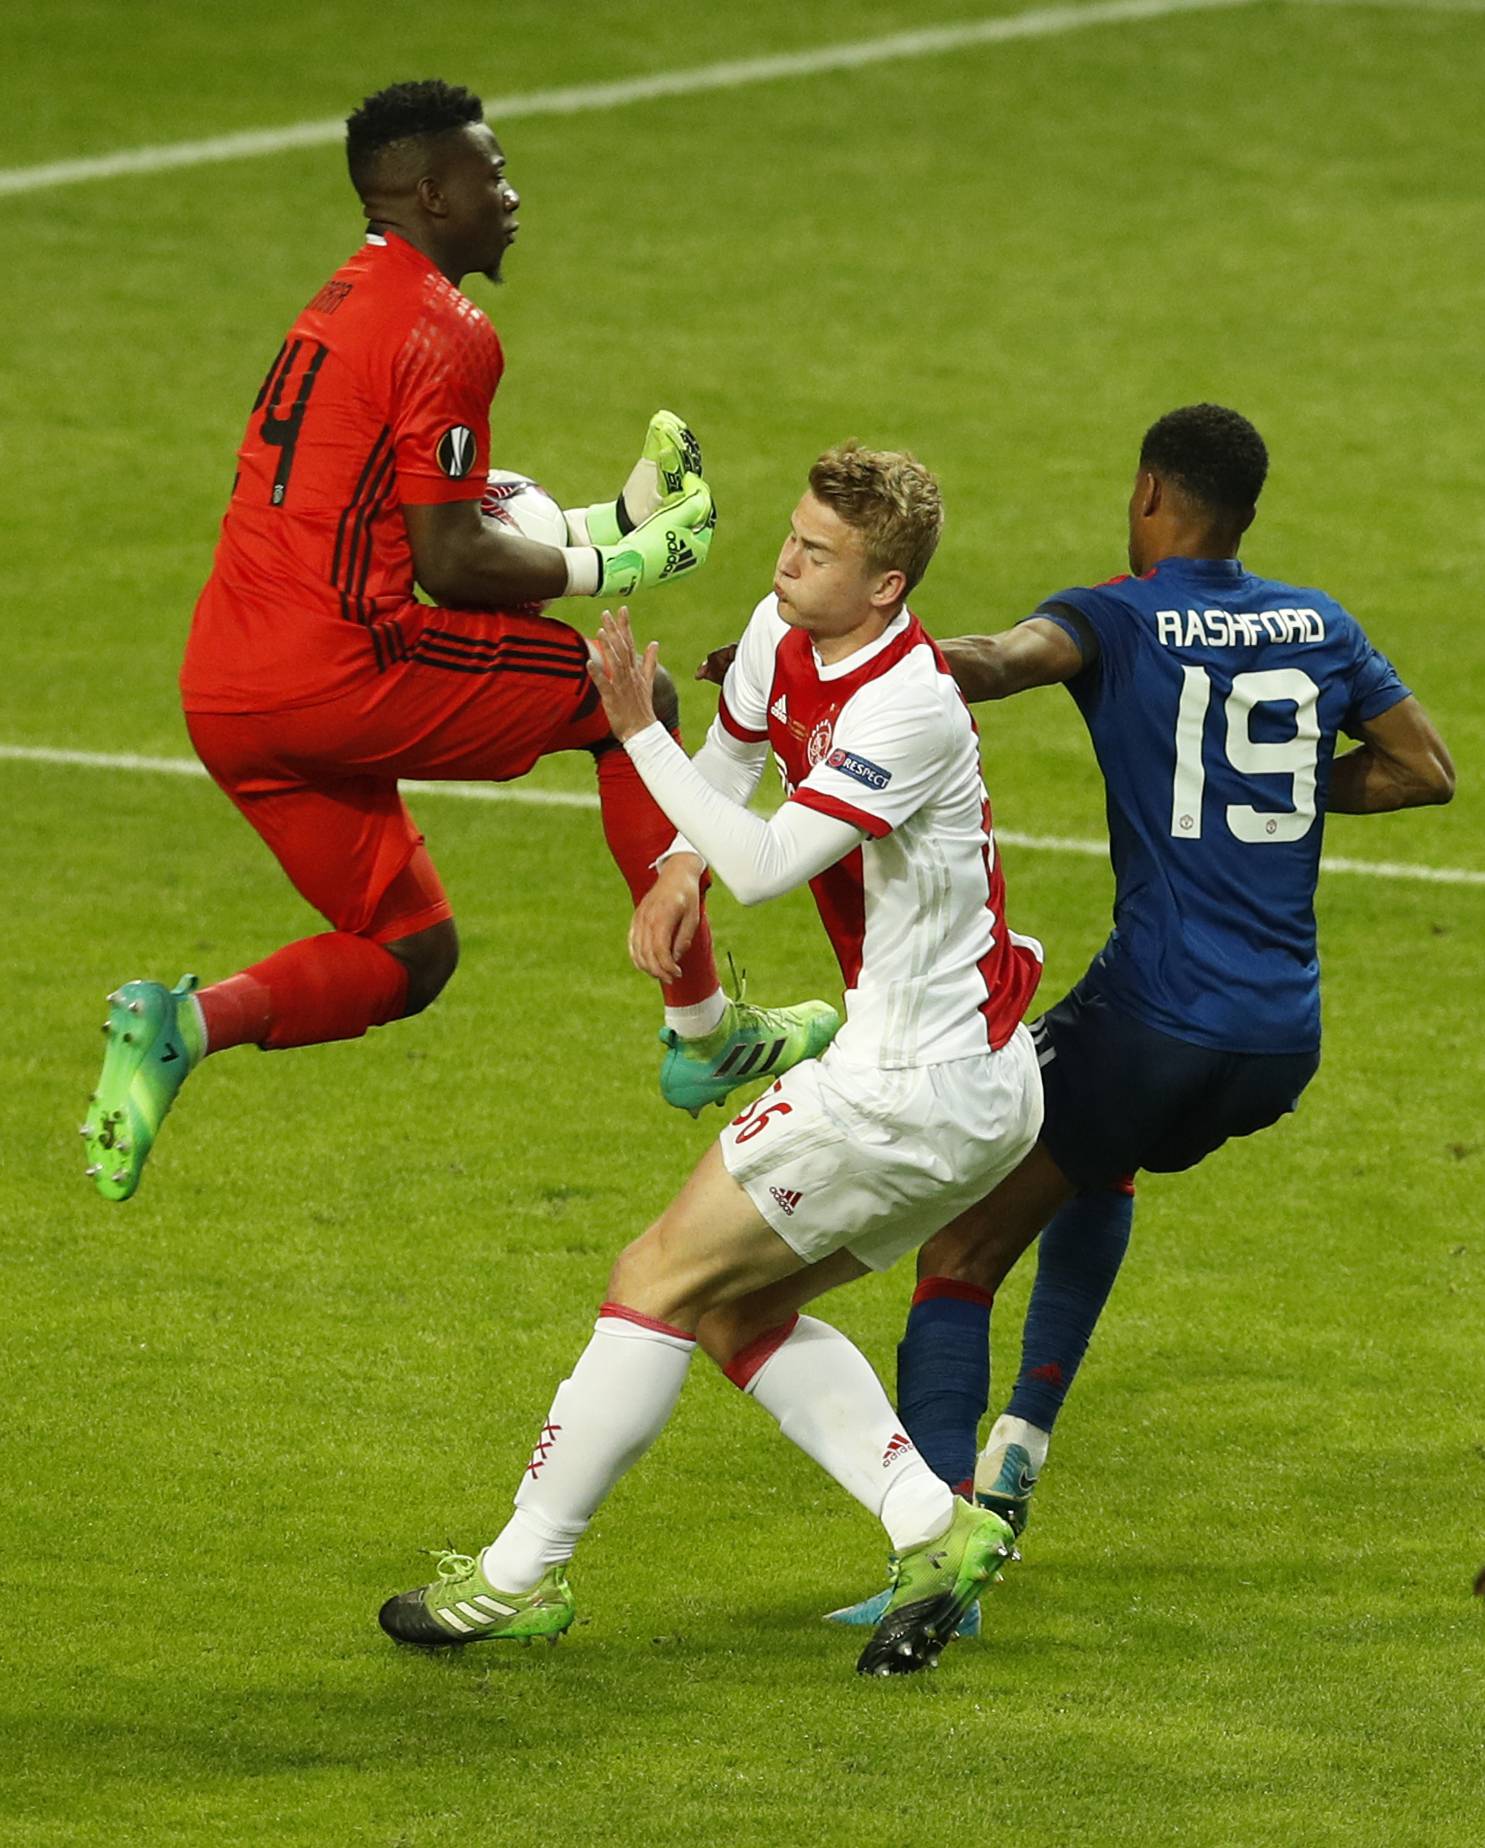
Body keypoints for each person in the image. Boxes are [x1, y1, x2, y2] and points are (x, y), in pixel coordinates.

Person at [80, 79, 836, 1203]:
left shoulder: (338, 306)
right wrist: (618, 568)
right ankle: (702, 1031)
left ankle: (182, 1024)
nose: (512, 194)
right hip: (338, 670)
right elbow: (451, 562)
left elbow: (425, 513)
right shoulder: (445, 328)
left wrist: (607, 523)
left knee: (409, 950)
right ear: (433, 192)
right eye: (492, 174)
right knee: (634, 697)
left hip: (226, 691)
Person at [378, 443, 1046, 1676]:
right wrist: (675, 865)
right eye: (791, 536)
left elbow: (763, 862)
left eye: (820, 553)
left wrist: (637, 737)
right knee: (740, 1307)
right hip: (961, 1079)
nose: (786, 561)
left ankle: (522, 1575)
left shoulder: (908, 703)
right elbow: (737, 755)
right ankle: (932, 1529)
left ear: (888, 586)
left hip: (911, 1086)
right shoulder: (787, 629)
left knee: (653, 1280)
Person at [814, 403, 1455, 1632]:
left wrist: (828, 659)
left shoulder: (1118, 610)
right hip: (1280, 1043)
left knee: (958, 1251)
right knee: (1092, 1162)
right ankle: (1017, 1453)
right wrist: (1276, 794)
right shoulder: (1320, 622)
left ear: (1152, 493)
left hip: (1159, 1016)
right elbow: (1426, 769)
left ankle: (938, 1564)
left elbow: (996, 661)